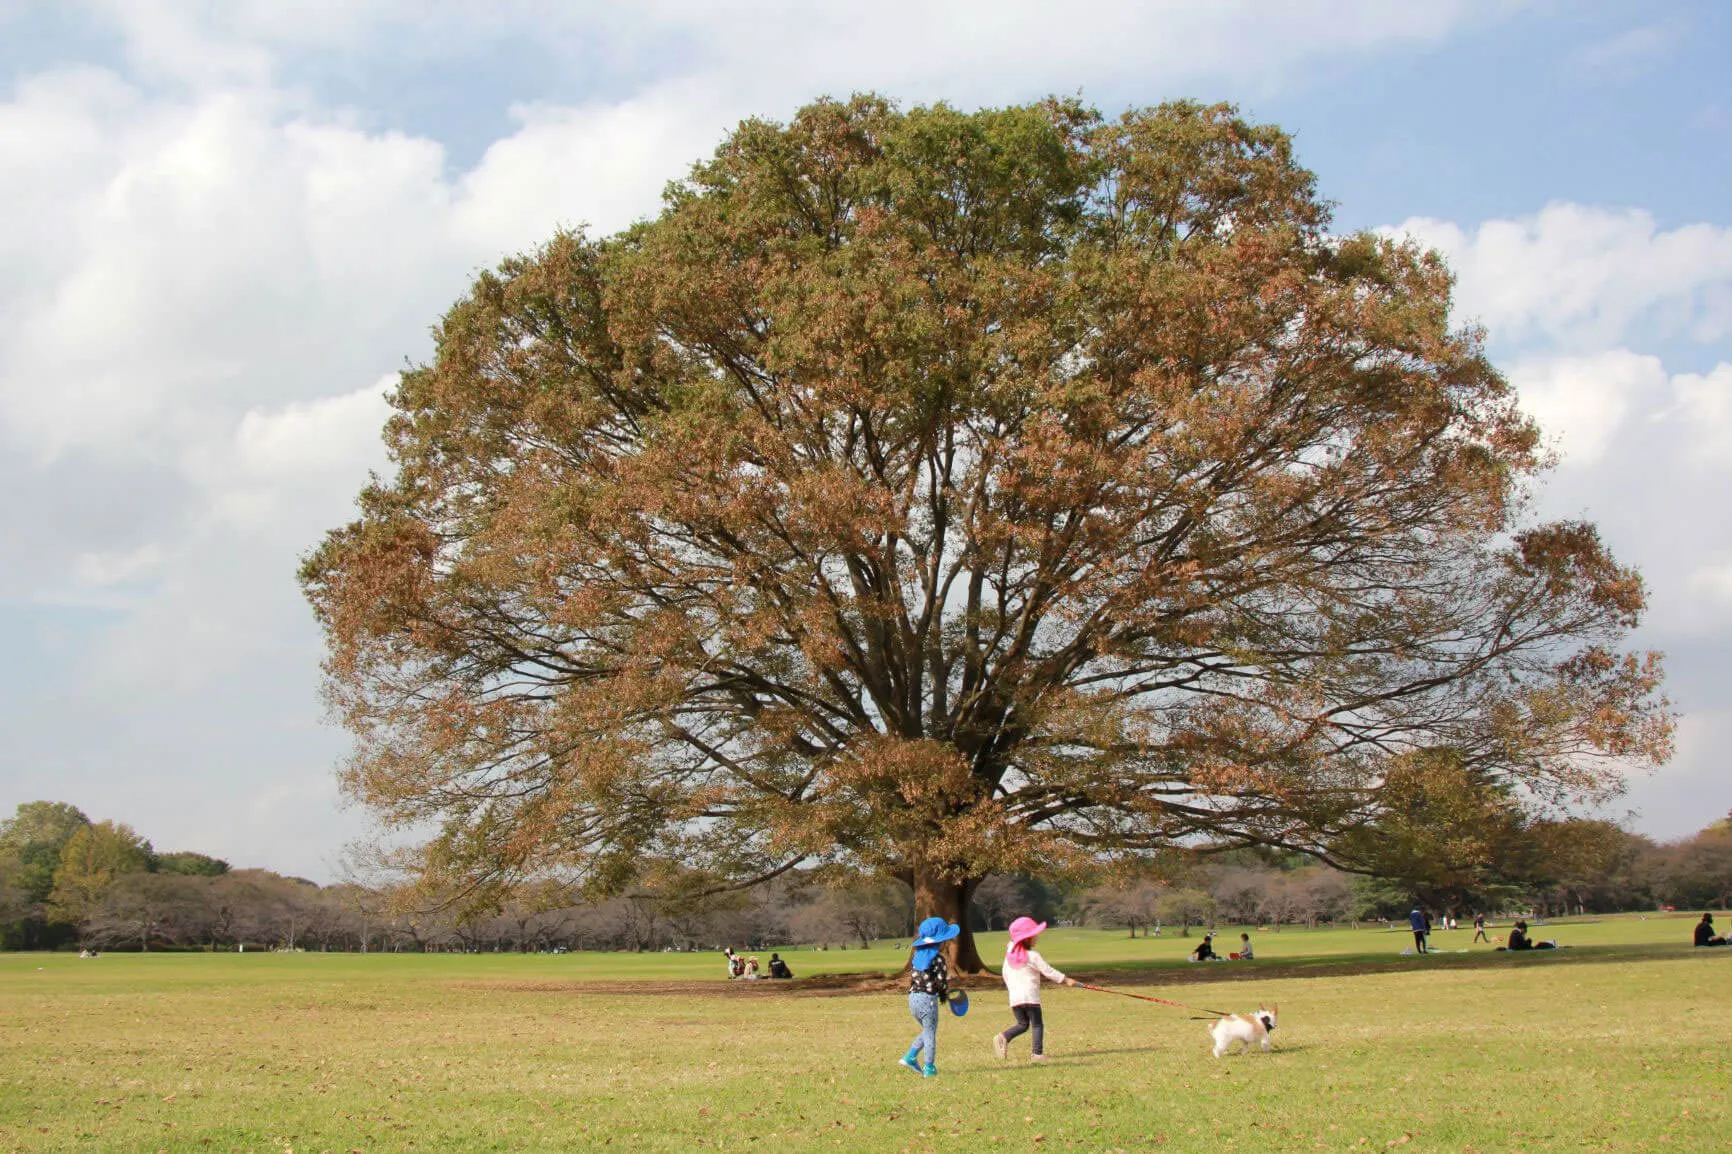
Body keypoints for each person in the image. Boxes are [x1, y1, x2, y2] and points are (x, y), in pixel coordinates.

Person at [993, 916, 1077, 1062]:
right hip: (1031, 998)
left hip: (1015, 999)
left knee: (1023, 1024)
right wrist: (1066, 979)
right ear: (1025, 939)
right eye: (1034, 935)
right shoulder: (1032, 956)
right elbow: (1048, 971)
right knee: (1037, 1024)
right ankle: (1037, 1054)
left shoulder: (1009, 959)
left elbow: (1005, 975)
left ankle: (1004, 1037)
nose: (1037, 938)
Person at [899, 916, 959, 1077]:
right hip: (927, 1000)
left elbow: (915, 978)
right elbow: (940, 982)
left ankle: (910, 1057)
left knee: (927, 1030)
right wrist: (945, 995)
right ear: (941, 940)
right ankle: (929, 1068)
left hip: (913, 998)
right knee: (930, 1033)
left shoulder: (917, 956)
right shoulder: (938, 959)